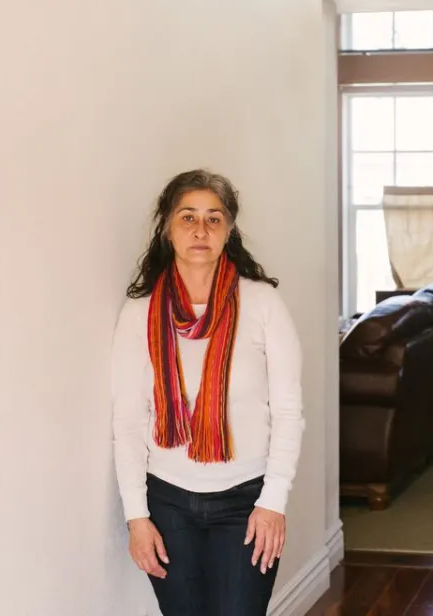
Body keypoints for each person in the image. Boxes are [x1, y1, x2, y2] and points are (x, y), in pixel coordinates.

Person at [111, 169, 304, 616]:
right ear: (166, 228)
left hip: (246, 500)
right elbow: (128, 420)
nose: (201, 230)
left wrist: (272, 502)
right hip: (167, 502)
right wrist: (137, 518)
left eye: (214, 219)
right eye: (188, 217)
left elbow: (288, 411)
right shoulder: (139, 313)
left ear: (229, 232)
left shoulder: (262, 304)